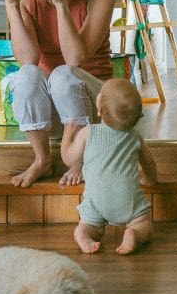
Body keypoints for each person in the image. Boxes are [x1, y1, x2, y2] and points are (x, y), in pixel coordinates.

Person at [5, 0, 115, 188]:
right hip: (49, 106)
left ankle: (77, 159)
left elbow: (76, 59)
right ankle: (42, 159)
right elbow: (27, 59)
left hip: (93, 102)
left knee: (64, 74)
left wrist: (61, 4)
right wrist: (12, 6)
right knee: (27, 75)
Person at [62, 77, 158, 255]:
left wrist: (67, 133)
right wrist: (150, 179)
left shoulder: (87, 132)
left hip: (95, 202)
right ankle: (134, 233)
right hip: (128, 200)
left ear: (99, 110)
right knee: (145, 225)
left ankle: (84, 233)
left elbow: (68, 159)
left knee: (88, 224)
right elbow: (149, 163)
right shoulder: (135, 136)